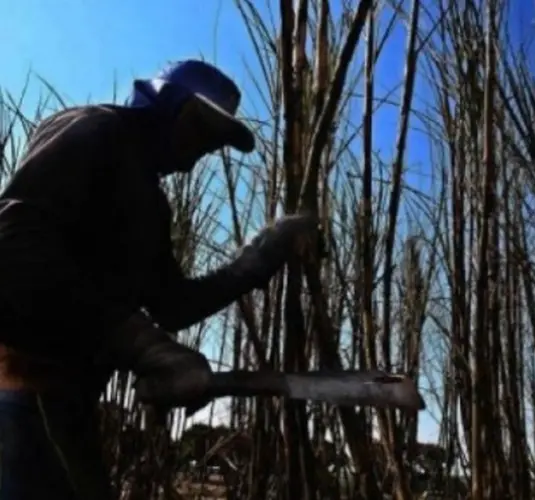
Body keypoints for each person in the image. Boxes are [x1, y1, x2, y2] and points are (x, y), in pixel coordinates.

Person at [0, 59, 320, 499]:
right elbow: (13, 242)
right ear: (170, 105)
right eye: (202, 133)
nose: (201, 155)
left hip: (64, 403)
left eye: (215, 144)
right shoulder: (95, 129)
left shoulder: (149, 203)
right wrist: (139, 343)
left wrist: (252, 264)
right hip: (18, 386)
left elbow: (173, 305)